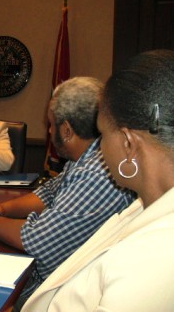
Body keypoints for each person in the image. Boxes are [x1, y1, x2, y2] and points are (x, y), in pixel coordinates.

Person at [0, 77, 136, 310]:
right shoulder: (85, 157)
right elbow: (47, 193)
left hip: (56, 296)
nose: (48, 130)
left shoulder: (97, 172)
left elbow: (35, 240)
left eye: (51, 124)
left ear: (66, 130)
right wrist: (1, 208)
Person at [21, 49, 174, 311]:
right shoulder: (146, 204)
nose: (99, 148)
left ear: (128, 143)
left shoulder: (155, 255)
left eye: (102, 135)